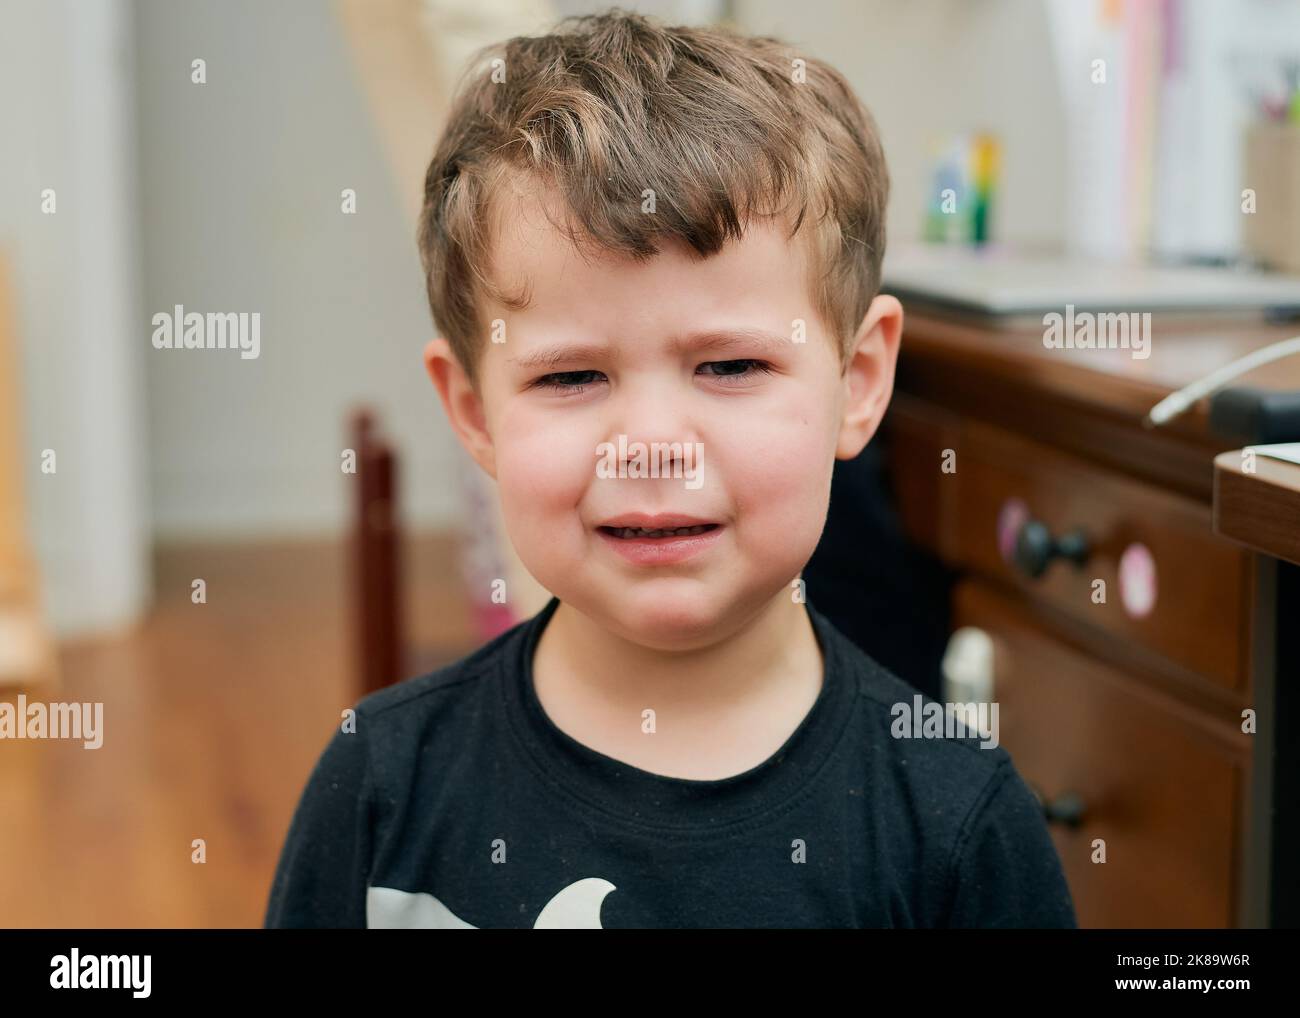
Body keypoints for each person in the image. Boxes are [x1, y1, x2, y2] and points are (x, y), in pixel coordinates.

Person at [265, 9, 1075, 929]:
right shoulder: (380, 786)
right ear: (473, 411)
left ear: (857, 383)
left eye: (730, 366)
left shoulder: (959, 828)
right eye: (572, 376)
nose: (652, 446)